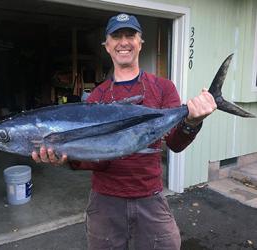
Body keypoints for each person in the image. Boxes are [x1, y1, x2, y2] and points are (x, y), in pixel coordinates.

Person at [32, 13, 217, 250]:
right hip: (105, 201)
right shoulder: (97, 96)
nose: (123, 42)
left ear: (140, 42)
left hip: (151, 196)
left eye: (130, 35)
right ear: (106, 46)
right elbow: (99, 159)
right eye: (116, 36)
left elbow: (175, 144)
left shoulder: (162, 87)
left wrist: (192, 121)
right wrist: (67, 158)